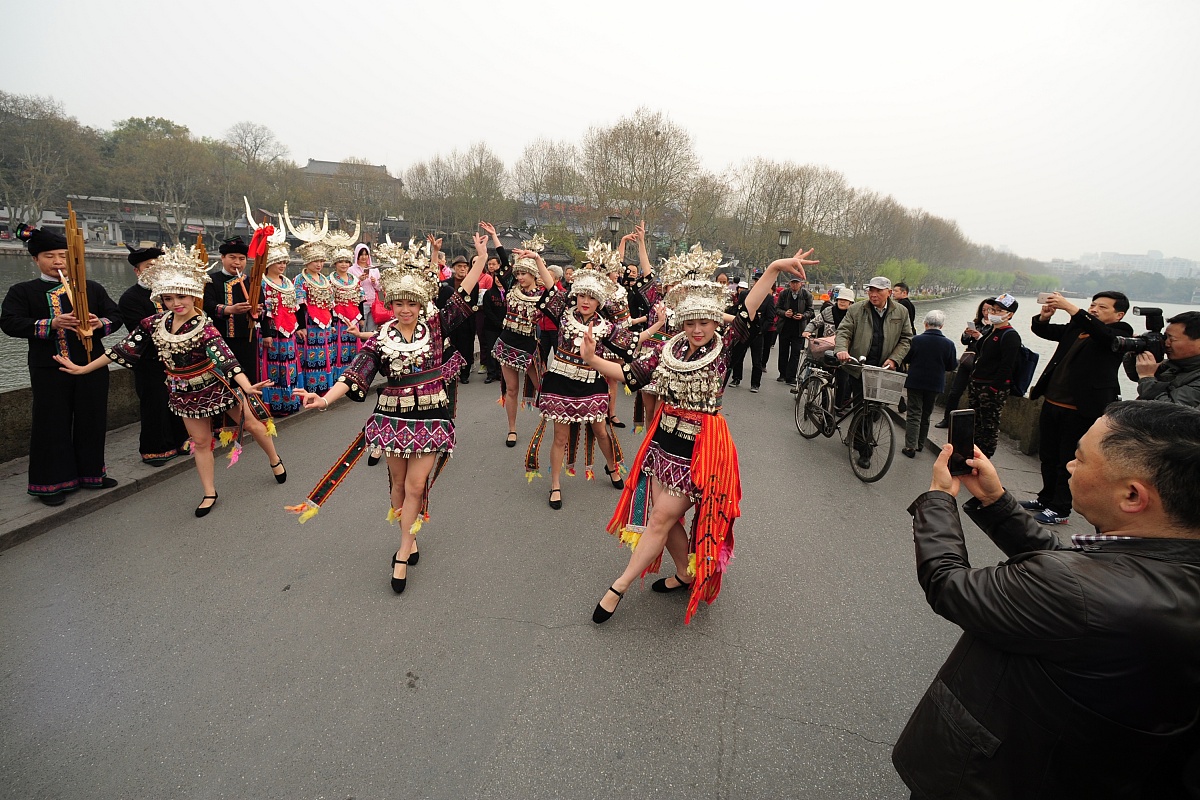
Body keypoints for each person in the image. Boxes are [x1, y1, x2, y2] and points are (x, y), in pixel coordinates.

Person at [894, 401, 1200, 799]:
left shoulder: (1080, 591)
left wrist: (938, 499)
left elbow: (948, 584)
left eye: (1080, 458)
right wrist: (996, 500)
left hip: (996, 778)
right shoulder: (1166, 567)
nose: (1069, 467)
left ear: (1132, 495)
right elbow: (1079, 568)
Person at [583, 247, 818, 624]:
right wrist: (593, 359)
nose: (696, 330)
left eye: (704, 323)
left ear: (714, 322)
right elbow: (631, 375)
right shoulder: (667, 349)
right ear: (681, 323)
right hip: (663, 444)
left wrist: (773, 267)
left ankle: (619, 586)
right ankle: (685, 573)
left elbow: (749, 308)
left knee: (659, 519)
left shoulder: (726, 348)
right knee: (668, 520)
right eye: (690, 323)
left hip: (701, 449)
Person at [291, 234, 488, 594]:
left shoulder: (438, 326)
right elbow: (356, 373)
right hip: (393, 420)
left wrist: (481, 258)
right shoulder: (380, 337)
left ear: (421, 303)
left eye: (411, 303)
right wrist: (323, 400)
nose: (405, 309)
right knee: (397, 485)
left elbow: (464, 294)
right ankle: (408, 537)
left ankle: (401, 553)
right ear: (391, 304)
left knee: (416, 485)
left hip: (431, 417)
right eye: (399, 303)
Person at [53, 244, 285, 517]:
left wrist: (247, 385)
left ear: (193, 296)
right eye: (169, 298)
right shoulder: (152, 324)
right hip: (182, 390)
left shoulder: (204, 325)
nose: (176, 303)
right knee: (200, 442)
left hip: (217, 384)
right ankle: (209, 492)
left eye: (182, 297)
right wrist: (84, 368)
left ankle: (274, 459)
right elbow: (124, 349)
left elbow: (226, 358)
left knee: (254, 426)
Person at [521, 241, 664, 511]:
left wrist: (655, 326)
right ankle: (555, 484)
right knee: (560, 437)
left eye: (592, 297)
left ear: (599, 301)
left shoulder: (604, 326)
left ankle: (612, 467)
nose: (586, 301)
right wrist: (538, 259)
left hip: (590, 383)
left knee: (600, 430)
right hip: (560, 382)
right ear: (577, 296)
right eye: (582, 296)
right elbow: (551, 287)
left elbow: (631, 340)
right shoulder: (563, 313)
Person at [1, 224, 122, 505]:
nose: (58, 262)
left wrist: (98, 323)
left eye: (63, 255)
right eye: (49, 256)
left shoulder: (90, 288)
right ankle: (52, 484)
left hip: (92, 365)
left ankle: (92, 474)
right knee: (51, 424)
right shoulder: (23, 291)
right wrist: (51, 323)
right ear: (36, 259)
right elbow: (9, 322)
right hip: (49, 369)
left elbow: (115, 315)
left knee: (92, 419)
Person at [1024, 291, 1133, 524]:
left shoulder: (1120, 333)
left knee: (1068, 459)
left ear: (1119, 314)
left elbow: (1103, 336)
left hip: (1081, 408)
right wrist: (1044, 317)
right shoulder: (1077, 327)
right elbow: (1045, 332)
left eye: (1102, 307)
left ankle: (1060, 508)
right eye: (1093, 305)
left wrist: (1072, 308)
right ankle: (1045, 498)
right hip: (1052, 401)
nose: (1094, 309)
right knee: (1048, 454)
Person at [119, 244, 189, 465]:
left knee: (178, 401)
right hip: (150, 361)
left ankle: (181, 441)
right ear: (137, 271)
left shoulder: (171, 292)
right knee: (154, 406)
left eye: (160, 265)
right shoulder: (131, 298)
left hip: (175, 361)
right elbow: (138, 332)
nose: (156, 269)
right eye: (150, 266)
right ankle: (155, 450)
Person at [968, 294, 1021, 458]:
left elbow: (1007, 365)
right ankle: (972, 455)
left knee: (989, 426)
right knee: (975, 424)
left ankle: (984, 458)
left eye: (999, 310)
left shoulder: (1010, 335)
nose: (994, 313)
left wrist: (993, 388)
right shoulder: (992, 330)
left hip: (991, 388)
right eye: (993, 309)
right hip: (977, 383)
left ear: (1009, 314)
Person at [257, 236, 304, 416]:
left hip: (289, 331)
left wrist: (299, 327)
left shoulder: (288, 282)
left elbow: (294, 308)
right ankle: (276, 404)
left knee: (290, 366)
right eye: (278, 262)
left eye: (284, 262)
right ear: (269, 264)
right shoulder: (263, 283)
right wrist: (267, 333)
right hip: (273, 332)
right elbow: (263, 312)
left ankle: (291, 401)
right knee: (274, 369)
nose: (282, 265)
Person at [901, 310, 957, 458]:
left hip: (915, 381)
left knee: (913, 413)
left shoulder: (916, 340)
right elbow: (951, 366)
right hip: (935, 383)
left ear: (925, 324)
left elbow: (906, 358)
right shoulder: (949, 344)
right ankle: (920, 444)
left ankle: (910, 446)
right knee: (926, 414)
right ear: (942, 326)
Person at [203, 236, 259, 383]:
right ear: (222, 257)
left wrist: (258, 310)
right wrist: (229, 309)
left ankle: (248, 405)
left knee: (249, 378)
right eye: (232, 257)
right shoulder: (210, 280)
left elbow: (263, 306)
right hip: (221, 340)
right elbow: (206, 305)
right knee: (225, 380)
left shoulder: (252, 281)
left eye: (242, 259)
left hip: (248, 339)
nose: (237, 262)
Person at [933, 299, 989, 429]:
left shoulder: (995, 328)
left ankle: (970, 425)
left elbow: (990, 347)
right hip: (967, 362)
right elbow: (964, 341)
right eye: (983, 310)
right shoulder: (977, 323)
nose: (986, 313)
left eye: (989, 310)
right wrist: (966, 334)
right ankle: (947, 419)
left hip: (981, 364)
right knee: (954, 391)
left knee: (974, 395)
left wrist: (979, 337)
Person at [1135, 310, 1200, 408]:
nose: (1166, 343)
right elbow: (1136, 375)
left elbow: (1170, 411)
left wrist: (1147, 377)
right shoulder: (1176, 364)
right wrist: (1137, 351)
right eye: (1165, 337)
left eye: (1171, 339)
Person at [438, 254, 482, 384]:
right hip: (450, 322)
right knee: (451, 347)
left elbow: (473, 302)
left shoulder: (473, 284)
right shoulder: (446, 284)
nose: (462, 269)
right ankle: (451, 371)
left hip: (466, 322)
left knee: (467, 348)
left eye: (464, 266)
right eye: (459, 266)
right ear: (454, 268)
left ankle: (465, 374)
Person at [477, 222, 509, 385]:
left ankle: (501, 373)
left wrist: (495, 236)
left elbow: (505, 260)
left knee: (502, 351)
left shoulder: (510, 291)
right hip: (491, 326)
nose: (498, 280)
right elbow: (488, 310)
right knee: (490, 349)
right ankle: (491, 373)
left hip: (506, 327)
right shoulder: (490, 293)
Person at [729, 280, 774, 392]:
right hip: (743, 331)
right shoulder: (744, 295)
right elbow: (738, 310)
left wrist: (760, 330)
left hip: (757, 333)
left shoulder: (768, 298)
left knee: (757, 360)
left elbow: (770, 317)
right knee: (738, 356)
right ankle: (736, 378)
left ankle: (755, 384)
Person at [775, 275, 813, 383]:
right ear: (789, 283)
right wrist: (784, 313)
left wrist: (803, 316)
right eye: (793, 283)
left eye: (797, 283)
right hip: (785, 326)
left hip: (799, 328)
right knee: (783, 351)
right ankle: (782, 373)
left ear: (801, 283)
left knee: (795, 353)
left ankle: (791, 376)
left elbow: (810, 311)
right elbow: (777, 308)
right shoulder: (784, 294)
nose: (795, 285)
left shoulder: (806, 295)